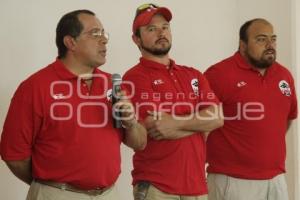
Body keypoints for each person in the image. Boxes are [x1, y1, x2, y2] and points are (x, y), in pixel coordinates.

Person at [0, 9, 147, 200]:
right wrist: (49, 185)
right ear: (70, 42)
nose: (104, 40)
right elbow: (14, 155)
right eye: (95, 34)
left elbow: (140, 143)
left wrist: (131, 123)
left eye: (104, 34)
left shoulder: (113, 84)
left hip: (110, 194)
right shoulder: (35, 87)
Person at [123, 3, 224, 200]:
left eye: (165, 27)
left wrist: (175, 123)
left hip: (197, 187)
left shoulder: (193, 74)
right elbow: (157, 126)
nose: (161, 33)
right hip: (157, 188)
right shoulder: (134, 78)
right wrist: (199, 123)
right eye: (151, 29)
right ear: (136, 39)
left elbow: (218, 118)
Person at [204, 18, 298, 200]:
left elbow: (286, 118)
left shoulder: (284, 75)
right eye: (261, 39)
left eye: (273, 39)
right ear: (243, 45)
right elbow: (199, 123)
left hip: (276, 180)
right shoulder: (218, 75)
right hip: (233, 181)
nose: (270, 45)